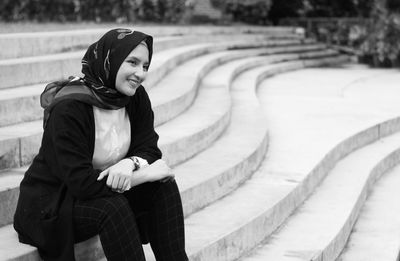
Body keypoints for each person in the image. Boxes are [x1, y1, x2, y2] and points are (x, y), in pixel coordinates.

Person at [13, 28, 189, 261]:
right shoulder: (70, 107)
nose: (140, 73)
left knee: (162, 187)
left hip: (101, 192)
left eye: (145, 66)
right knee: (114, 206)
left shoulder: (135, 97)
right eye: (133, 62)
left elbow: (149, 147)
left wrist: (129, 164)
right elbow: (81, 183)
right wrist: (141, 176)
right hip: (55, 202)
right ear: (110, 60)